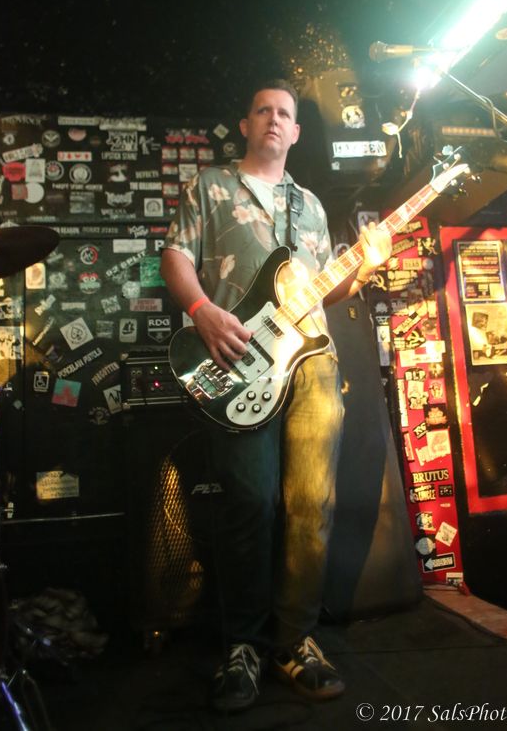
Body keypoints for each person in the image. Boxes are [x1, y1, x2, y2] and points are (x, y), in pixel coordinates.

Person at [160, 79, 392, 713]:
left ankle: (295, 641)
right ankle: (243, 645)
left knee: (311, 504)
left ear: (295, 132)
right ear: (246, 124)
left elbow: (323, 290)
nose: (273, 118)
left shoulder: (309, 205)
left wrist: (366, 266)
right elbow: (175, 256)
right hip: (241, 363)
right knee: (251, 502)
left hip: (312, 363)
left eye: (284, 113)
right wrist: (202, 310)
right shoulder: (210, 187)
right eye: (262, 109)